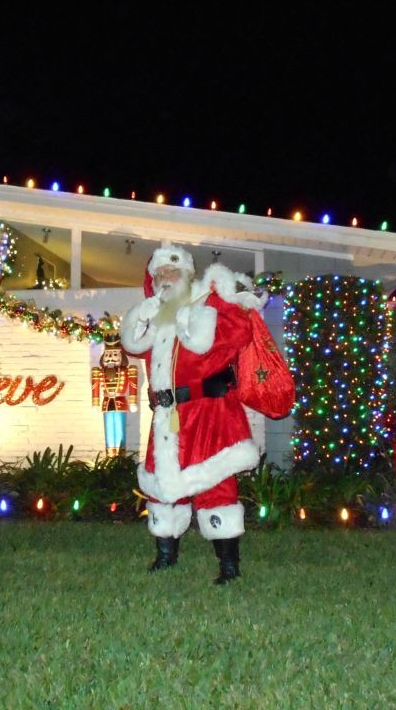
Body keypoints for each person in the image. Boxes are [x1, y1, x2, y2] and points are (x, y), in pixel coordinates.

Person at [120, 244, 262, 584]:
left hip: (208, 410)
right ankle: (165, 556)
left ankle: (229, 566)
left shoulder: (206, 303)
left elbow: (240, 334)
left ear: (188, 275)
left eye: (173, 273)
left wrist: (221, 305)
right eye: (159, 275)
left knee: (215, 484)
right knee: (161, 483)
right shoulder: (156, 314)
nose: (166, 280)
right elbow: (131, 344)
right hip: (168, 415)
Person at [91, 333, 138, 457]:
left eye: (114, 354)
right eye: (108, 355)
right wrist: (95, 403)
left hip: (120, 401)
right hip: (107, 403)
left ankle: (120, 455)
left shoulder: (127, 370)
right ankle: (110, 455)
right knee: (108, 430)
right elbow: (95, 387)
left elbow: (133, 385)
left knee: (120, 429)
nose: (110, 357)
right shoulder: (99, 372)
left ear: (121, 356)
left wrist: (133, 401)